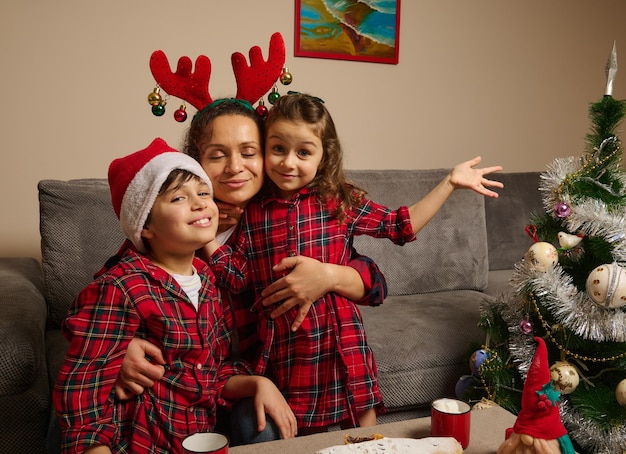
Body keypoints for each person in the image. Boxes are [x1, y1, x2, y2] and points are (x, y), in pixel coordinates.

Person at [204, 93, 504, 433]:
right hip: (285, 346)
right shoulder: (254, 211)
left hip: (341, 338)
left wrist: (449, 183)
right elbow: (239, 277)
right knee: (302, 433)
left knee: (364, 429)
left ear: (323, 155)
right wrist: (209, 238)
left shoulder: (338, 198)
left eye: (303, 152)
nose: (288, 162)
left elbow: (398, 225)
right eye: (278, 149)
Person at [112, 99, 387, 443]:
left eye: (248, 152)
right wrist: (121, 346)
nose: (234, 167)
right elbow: (108, 292)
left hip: (260, 373)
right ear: (194, 162)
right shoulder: (178, 226)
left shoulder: (283, 218)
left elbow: (374, 281)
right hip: (190, 381)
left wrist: (330, 276)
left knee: (260, 426)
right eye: (216, 155)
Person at [53, 138, 297, 453]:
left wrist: (258, 382)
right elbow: (83, 386)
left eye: (204, 193)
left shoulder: (208, 281)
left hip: (197, 437)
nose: (199, 204)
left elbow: (209, 371)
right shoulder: (122, 285)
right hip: (140, 441)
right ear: (145, 227)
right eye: (179, 198)